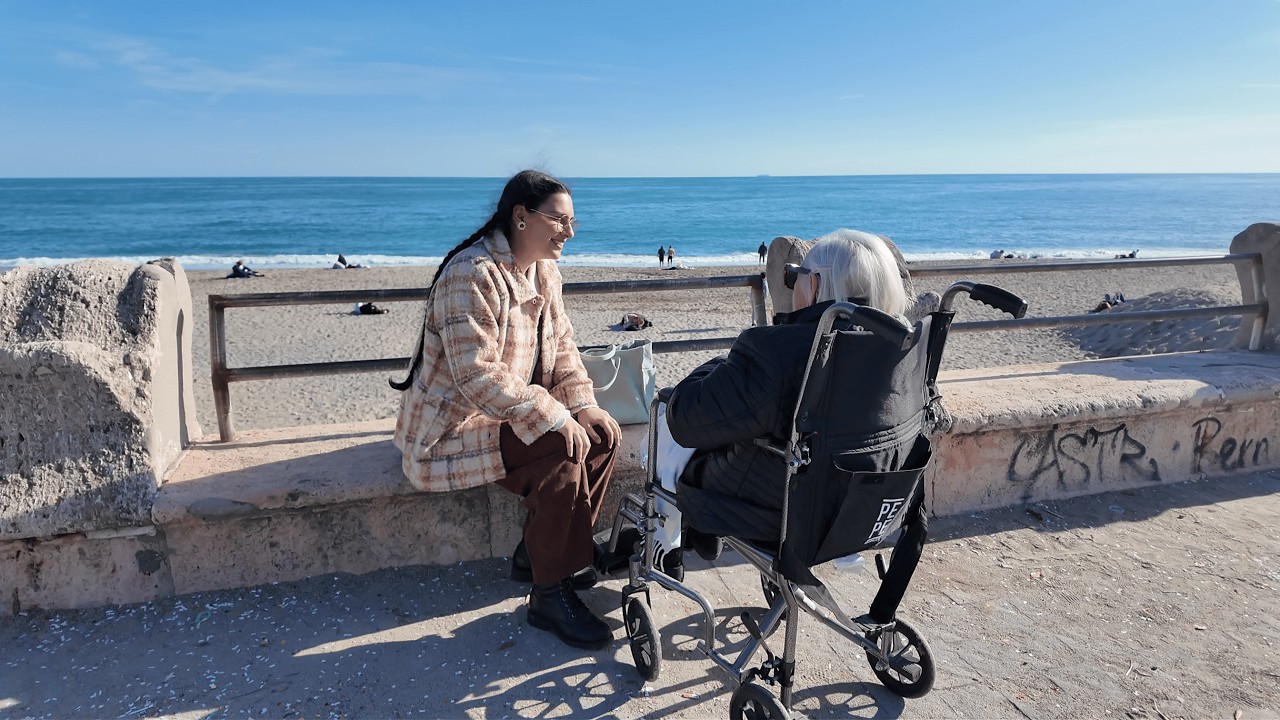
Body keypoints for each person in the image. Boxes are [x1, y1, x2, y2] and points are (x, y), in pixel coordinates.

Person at [390, 170, 622, 651]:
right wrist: (552, 413)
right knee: (560, 445)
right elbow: (476, 375)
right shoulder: (472, 274)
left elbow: (563, 348)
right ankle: (549, 594)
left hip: (504, 413)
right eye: (558, 220)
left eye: (573, 221)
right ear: (520, 217)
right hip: (450, 429)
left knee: (601, 434)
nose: (569, 232)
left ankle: (538, 556)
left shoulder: (545, 272)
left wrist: (582, 404)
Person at [662, 229, 911, 557]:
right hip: (862, 510)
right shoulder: (900, 348)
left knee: (665, 417)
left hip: (780, 512)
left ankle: (667, 540)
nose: (792, 285)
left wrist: (716, 366)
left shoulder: (778, 350)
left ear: (815, 285)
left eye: (795, 276)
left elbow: (685, 420)